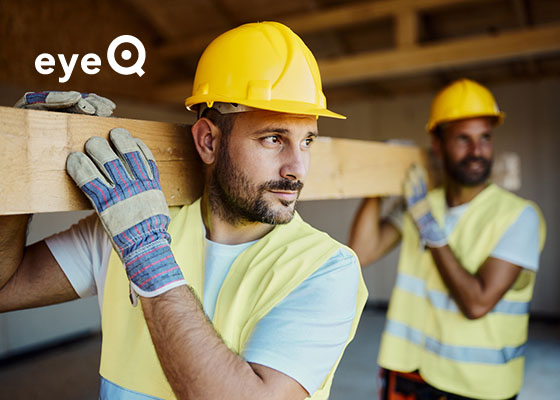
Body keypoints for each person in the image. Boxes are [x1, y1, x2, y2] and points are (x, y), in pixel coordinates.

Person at [0, 21, 367, 400]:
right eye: (273, 138)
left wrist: (149, 258)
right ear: (208, 141)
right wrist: (15, 168)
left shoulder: (326, 268)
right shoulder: (124, 227)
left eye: (306, 141)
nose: (297, 168)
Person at [349, 78, 546, 400]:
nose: (477, 151)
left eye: (485, 138)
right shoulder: (422, 202)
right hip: (409, 372)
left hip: (476, 388)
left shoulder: (519, 217)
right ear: (438, 145)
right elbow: (361, 250)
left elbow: (477, 303)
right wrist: (379, 178)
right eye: (463, 139)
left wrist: (428, 225)